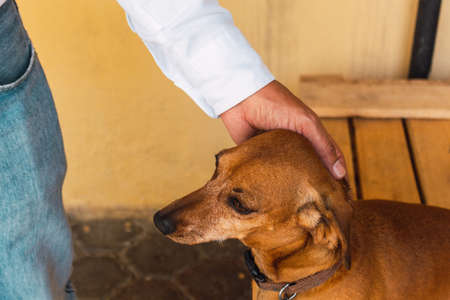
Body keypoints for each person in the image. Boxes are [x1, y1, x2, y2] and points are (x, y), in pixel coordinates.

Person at [0, 0, 346, 298]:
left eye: (238, 204)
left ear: (323, 229)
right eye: (218, 170)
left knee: (29, 279)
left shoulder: (334, 236)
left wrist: (241, 86)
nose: (173, 214)